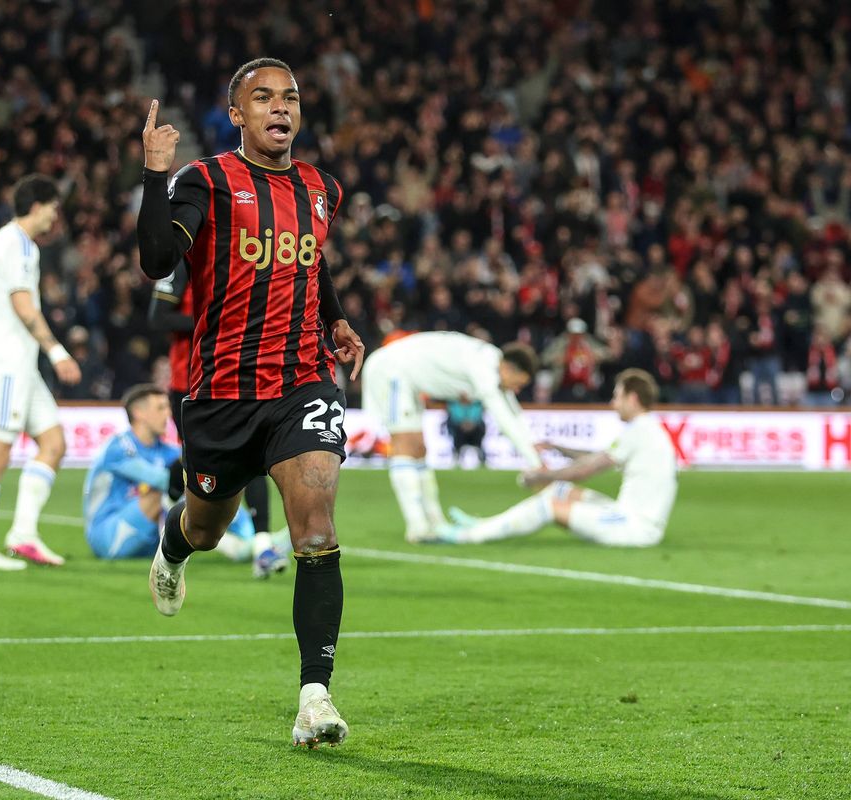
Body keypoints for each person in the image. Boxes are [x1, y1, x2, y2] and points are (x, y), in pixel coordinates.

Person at [137, 58, 365, 748]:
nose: (279, 107)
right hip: (222, 395)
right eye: (261, 97)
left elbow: (309, 262)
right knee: (208, 526)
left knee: (317, 530)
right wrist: (153, 173)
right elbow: (155, 261)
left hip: (302, 383)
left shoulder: (322, 188)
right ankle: (173, 546)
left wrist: (333, 319)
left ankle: (314, 696)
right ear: (236, 114)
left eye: (289, 97)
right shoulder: (204, 181)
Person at [0, 174, 82, 571]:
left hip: (21, 366)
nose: (54, 217)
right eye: (52, 209)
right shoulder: (16, 244)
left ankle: (23, 534)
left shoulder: (14, 243)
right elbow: (23, 306)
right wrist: (57, 351)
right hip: (7, 364)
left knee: (53, 442)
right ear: (37, 206)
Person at [148, 261, 289, 578]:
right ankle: (167, 520)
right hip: (190, 386)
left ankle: (262, 546)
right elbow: (158, 317)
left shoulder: (242, 256)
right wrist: (217, 319)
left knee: (252, 459)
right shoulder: (183, 265)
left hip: (238, 381)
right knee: (194, 463)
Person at [447, 369, 677, 547]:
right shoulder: (647, 429)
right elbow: (596, 458)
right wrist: (557, 447)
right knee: (560, 490)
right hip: (627, 516)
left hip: (634, 528)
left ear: (633, 398)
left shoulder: (640, 431)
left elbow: (587, 469)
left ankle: (468, 536)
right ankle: (485, 525)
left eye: (617, 396)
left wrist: (542, 475)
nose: (612, 403)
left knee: (549, 505)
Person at [360, 331, 541, 543]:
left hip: (406, 377)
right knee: (405, 444)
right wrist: (536, 465)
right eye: (518, 383)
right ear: (508, 368)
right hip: (389, 370)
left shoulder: (492, 363)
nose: (517, 389)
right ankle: (417, 526)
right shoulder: (483, 367)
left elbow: (514, 412)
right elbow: (503, 417)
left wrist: (537, 457)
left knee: (419, 449)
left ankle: (435, 523)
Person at [83, 384, 267, 560]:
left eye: (168, 407)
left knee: (204, 483)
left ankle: (250, 535)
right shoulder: (120, 447)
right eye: (160, 408)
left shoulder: (166, 450)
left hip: (148, 535)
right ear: (139, 413)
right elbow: (165, 480)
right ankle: (236, 545)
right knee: (171, 489)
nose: (168, 413)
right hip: (108, 534)